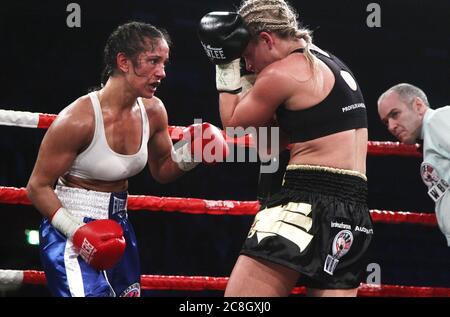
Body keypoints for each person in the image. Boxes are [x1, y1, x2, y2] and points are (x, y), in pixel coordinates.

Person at [26, 21, 229, 297]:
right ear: (123, 61)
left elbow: (163, 168)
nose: (162, 73)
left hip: (119, 224)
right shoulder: (78, 119)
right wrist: (76, 232)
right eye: (153, 61)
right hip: (70, 225)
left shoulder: (154, 110)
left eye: (164, 63)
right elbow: (37, 187)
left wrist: (195, 152)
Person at [198, 0, 373, 297]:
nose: (249, 66)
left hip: (304, 204)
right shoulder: (329, 63)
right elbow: (275, 141)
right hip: (354, 213)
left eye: (246, 55)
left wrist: (225, 63)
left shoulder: (280, 74)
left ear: (266, 39)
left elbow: (233, 126)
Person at [378, 83, 450, 246]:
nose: (391, 126)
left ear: (418, 105)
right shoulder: (430, 134)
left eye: (395, 114)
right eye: (386, 122)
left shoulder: (437, 120)